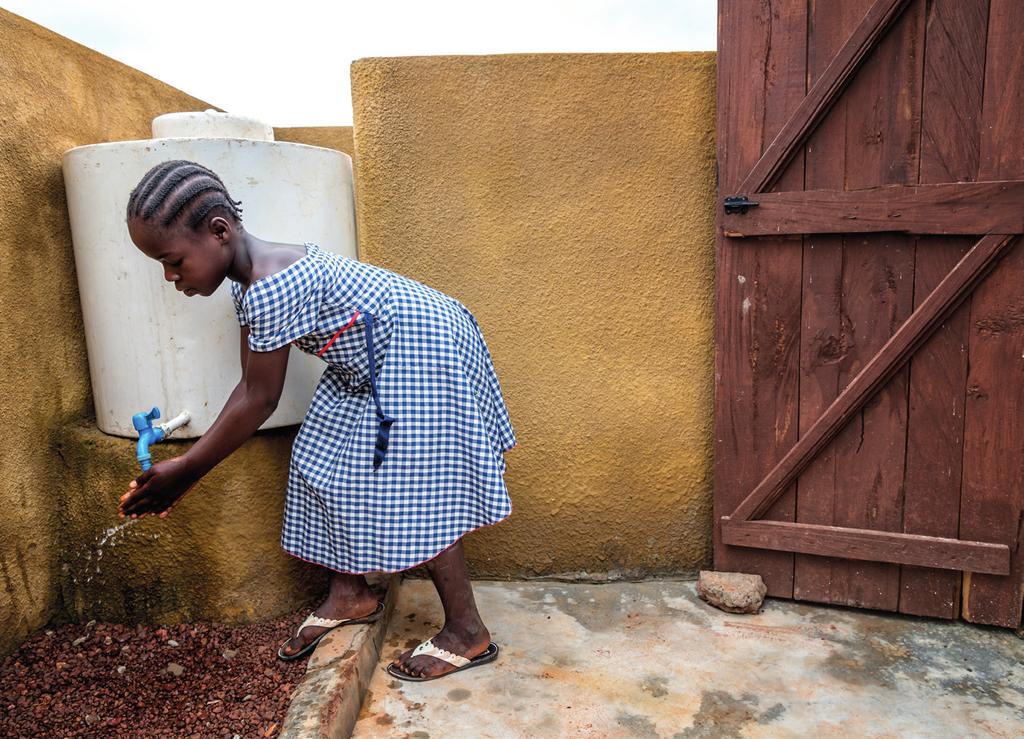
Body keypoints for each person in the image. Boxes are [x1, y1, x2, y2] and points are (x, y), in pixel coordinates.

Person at [118, 160, 516, 681]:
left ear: (219, 232)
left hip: (422, 344)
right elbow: (250, 388)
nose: (171, 278)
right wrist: (188, 467)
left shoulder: (271, 284)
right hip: (370, 357)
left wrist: (187, 470)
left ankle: (467, 632)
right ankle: (350, 593)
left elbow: (260, 398)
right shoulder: (249, 284)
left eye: (173, 261)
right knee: (319, 460)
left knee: (416, 483)